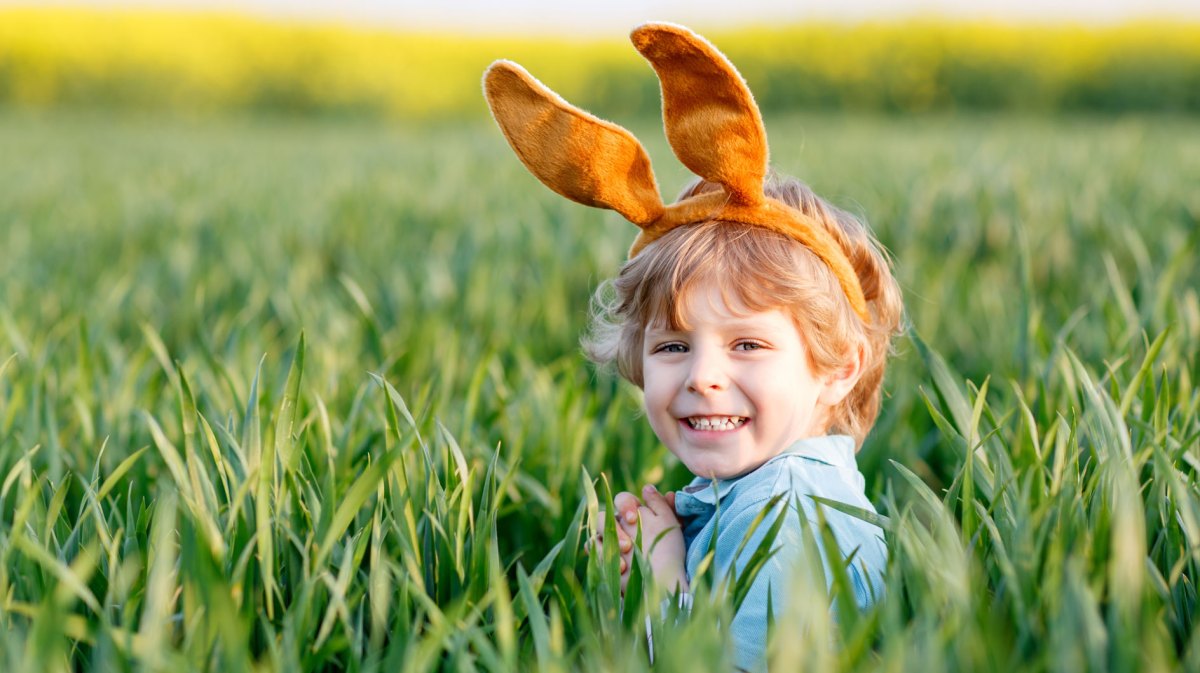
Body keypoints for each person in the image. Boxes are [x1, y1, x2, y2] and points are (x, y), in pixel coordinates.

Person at [483, 22, 903, 671]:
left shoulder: (791, 520)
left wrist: (661, 579)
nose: (705, 375)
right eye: (674, 346)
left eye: (748, 344)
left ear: (838, 369)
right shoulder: (763, 490)